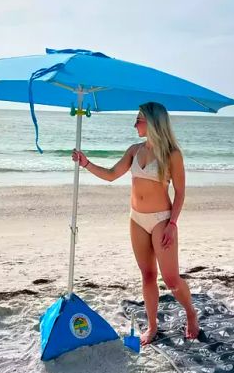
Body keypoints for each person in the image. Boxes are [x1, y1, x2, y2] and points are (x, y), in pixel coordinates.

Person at [71, 102, 200, 345]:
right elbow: (111, 175)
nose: (134, 124)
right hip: (137, 219)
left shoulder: (172, 154)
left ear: (152, 122)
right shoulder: (134, 150)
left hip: (162, 220)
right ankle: (152, 326)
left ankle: (191, 313)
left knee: (171, 279)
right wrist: (85, 163)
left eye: (139, 119)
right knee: (147, 274)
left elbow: (180, 193)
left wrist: (172, 224)